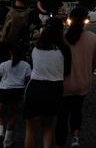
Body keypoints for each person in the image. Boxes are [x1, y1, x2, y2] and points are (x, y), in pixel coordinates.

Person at [0, 0, 40, 114]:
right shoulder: (31, 13)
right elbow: (37, 28)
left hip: (2, 45)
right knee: (19, 71)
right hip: (20, 46)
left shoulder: (5, 10)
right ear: (27, 0)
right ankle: (16, 97)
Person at [55, 7, 96, 148]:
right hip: (82, 83)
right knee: (77, 111)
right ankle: (75, 139)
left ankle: (60, 144)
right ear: (85, 20)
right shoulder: (93, 38)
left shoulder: (62, 38)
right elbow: (94, 63)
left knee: (62, 116)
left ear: (69, 20)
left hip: (63, 84)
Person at [24, 17, 71, 148]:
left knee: (31, 128)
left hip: (35, 87)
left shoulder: (35, 48)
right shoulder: (64, 49)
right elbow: (66, 71)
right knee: (48, 126)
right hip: (54, 89)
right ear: (60, 31)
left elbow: (33, 66)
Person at [0, 45, 31, 148]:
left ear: (10, 53)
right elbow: (28, 81)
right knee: (12, 115)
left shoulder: (4, 65)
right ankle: (7, 141)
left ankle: (0, 133)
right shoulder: (26, 65)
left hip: (4, 91)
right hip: (17, 91)